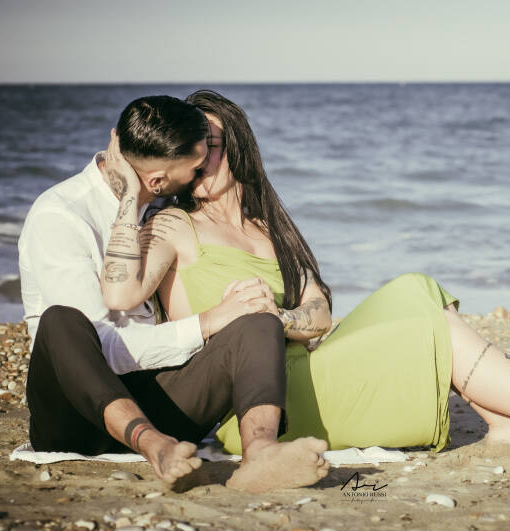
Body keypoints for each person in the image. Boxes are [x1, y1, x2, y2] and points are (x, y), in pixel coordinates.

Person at [99, 89, 510, 457]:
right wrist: (128, 193)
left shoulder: (266, 226)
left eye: (211, 146)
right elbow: (120, 293)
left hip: (305, 363)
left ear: (236, 146)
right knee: (428, 323)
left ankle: (506, 421)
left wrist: (279, 317)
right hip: (253, 403)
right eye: (192, 149)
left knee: (416, 288)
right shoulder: (173, 225)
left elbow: (319, 313)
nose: (201, 158)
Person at [18, 95, 329, 493]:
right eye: (196, 164)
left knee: (256, 319)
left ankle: (261, 455)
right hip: (76, 417)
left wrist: (259, 312)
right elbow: (105, 346)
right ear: (158, 180)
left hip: (161, 404)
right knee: (62, 321)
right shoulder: (61, 215)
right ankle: (155, 447)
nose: (202, 171)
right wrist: (207, 321)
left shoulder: (163, 206)